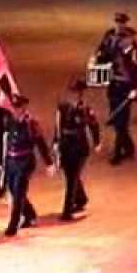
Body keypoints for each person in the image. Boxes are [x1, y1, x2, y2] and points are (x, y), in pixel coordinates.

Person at [3, 94, 55, 236]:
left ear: (24, 108)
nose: (16, 110)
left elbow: (41, 143)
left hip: (25, 161)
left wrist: (49, 163)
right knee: (13, 190)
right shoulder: (10, 121)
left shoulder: (31, 123)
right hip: (12, 161)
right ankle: (30, 213)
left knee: (19, 192)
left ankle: (13, 226)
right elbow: (7, 142)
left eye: (18, 107)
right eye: (14, 107)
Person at [97, 13, 137, 165]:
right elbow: (102, 53)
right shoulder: (109, 37)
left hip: (126, 85)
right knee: (116, 118)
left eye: (121, 23)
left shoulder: (130, 43)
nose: (119, 26)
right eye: (117, 23)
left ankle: (118, 152)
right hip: (113, 84)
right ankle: (129, 146)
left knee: (120, 121)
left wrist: (135, 88)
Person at [53, 79, 101, 220]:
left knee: (72, 178)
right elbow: (58, 126)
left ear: (80, 93)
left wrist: (97, 141)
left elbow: (94, 125)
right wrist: (56, 142)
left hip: (79, 147)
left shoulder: (85, 109)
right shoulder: (62, 107)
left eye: (75, 92)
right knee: (70, 175)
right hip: (66, 145)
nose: (72, 95)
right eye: (71, 91)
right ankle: (81, 198)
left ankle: (67, 211)